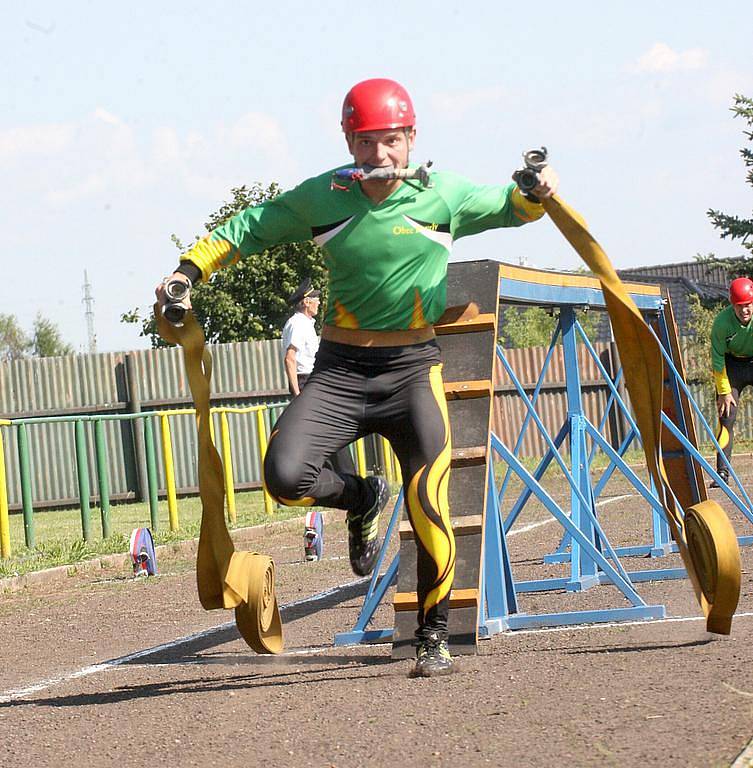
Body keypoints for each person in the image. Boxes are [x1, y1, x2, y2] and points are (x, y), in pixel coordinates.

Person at [156, 77, 558, 677]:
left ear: (412, 137)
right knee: (284, 476)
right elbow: (251, 226)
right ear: (349, 142)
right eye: (366, 143)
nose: (379, 155)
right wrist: (188, 270)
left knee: (430, 503)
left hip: (412, 372)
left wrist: (536, 192)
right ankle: (363, 495)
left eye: (390, 141)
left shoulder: (442, 194)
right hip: (340, 372)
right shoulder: (326, 196)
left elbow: (511, 207)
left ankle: (434, 633)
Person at [710, 276, 753, 487]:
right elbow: (717, 360)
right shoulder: (721, 323)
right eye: (740, 306)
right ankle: (722, 473)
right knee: (726, 415)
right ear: (732, 305)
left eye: (748, 306)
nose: (745, 311)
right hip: (731, 365)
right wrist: (724, 392)